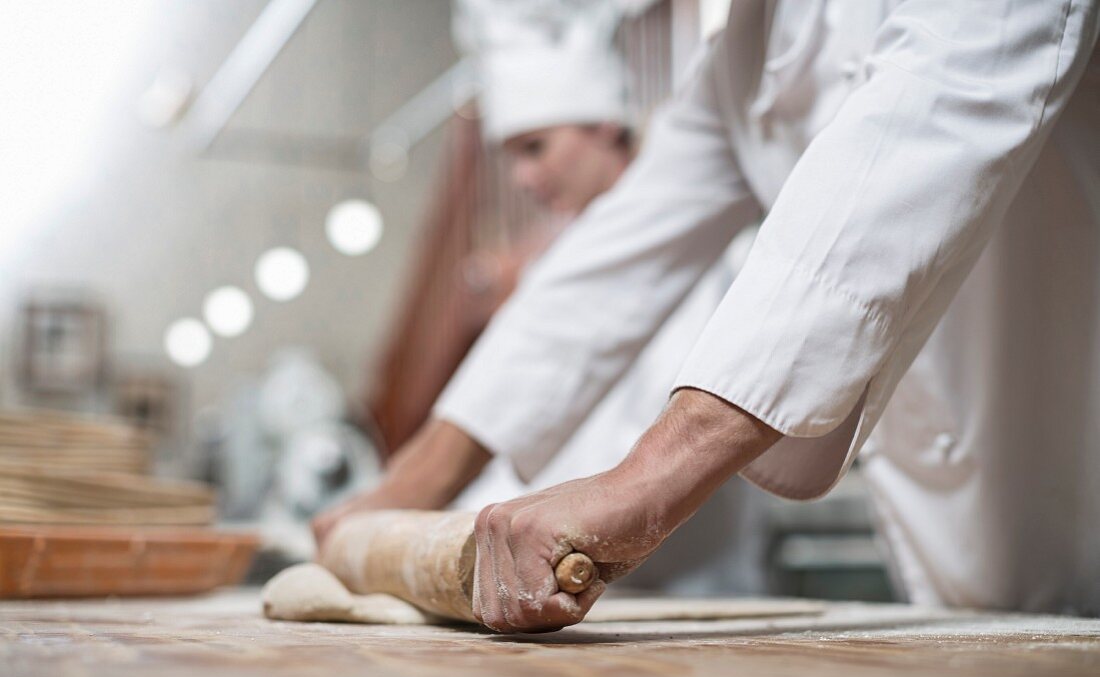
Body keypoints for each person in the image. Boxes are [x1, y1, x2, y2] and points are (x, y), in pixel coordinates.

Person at [321, 1, 1100, 632]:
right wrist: (406, 488)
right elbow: (605, 273)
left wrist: (639, 486)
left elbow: (922, 134)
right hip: (956, 558)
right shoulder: (750, 49)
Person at [318, 3, 774, 597]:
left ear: (608, 128)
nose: (524, 180)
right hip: (564, 586)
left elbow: (637, 443)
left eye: (536, 147)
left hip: (684, 585)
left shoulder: (724, 254)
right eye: (511, 156)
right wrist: (419, 505)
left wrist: (446, 511)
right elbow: (543, 359)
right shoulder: (566, 267)